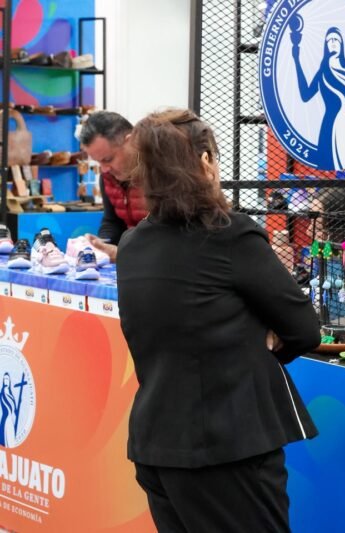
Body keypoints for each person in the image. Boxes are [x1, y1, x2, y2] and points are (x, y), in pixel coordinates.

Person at [116, 109, 321, 531]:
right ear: (206, 161)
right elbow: (304, 329)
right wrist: (262, 334)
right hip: (227, 450)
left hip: (158, 446)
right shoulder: (230, 235)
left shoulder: (133, 244)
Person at [79, 111, 145, 261]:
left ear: (131, 142)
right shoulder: (108, 177)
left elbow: (172, 235)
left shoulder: (163, 175)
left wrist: (123, 253)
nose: (104, 169)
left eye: (108, 159)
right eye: (98, 162)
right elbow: (113, 221)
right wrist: (102, 244)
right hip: (134, 259)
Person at [292, 26, 345, 170]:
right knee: (329, 161)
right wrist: (297, 61)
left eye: (336, 39)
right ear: (326, 45)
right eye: (329, 40)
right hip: (329, 125)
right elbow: (305, 95)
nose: (333, 42)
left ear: (341, 44)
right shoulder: (323, 72)